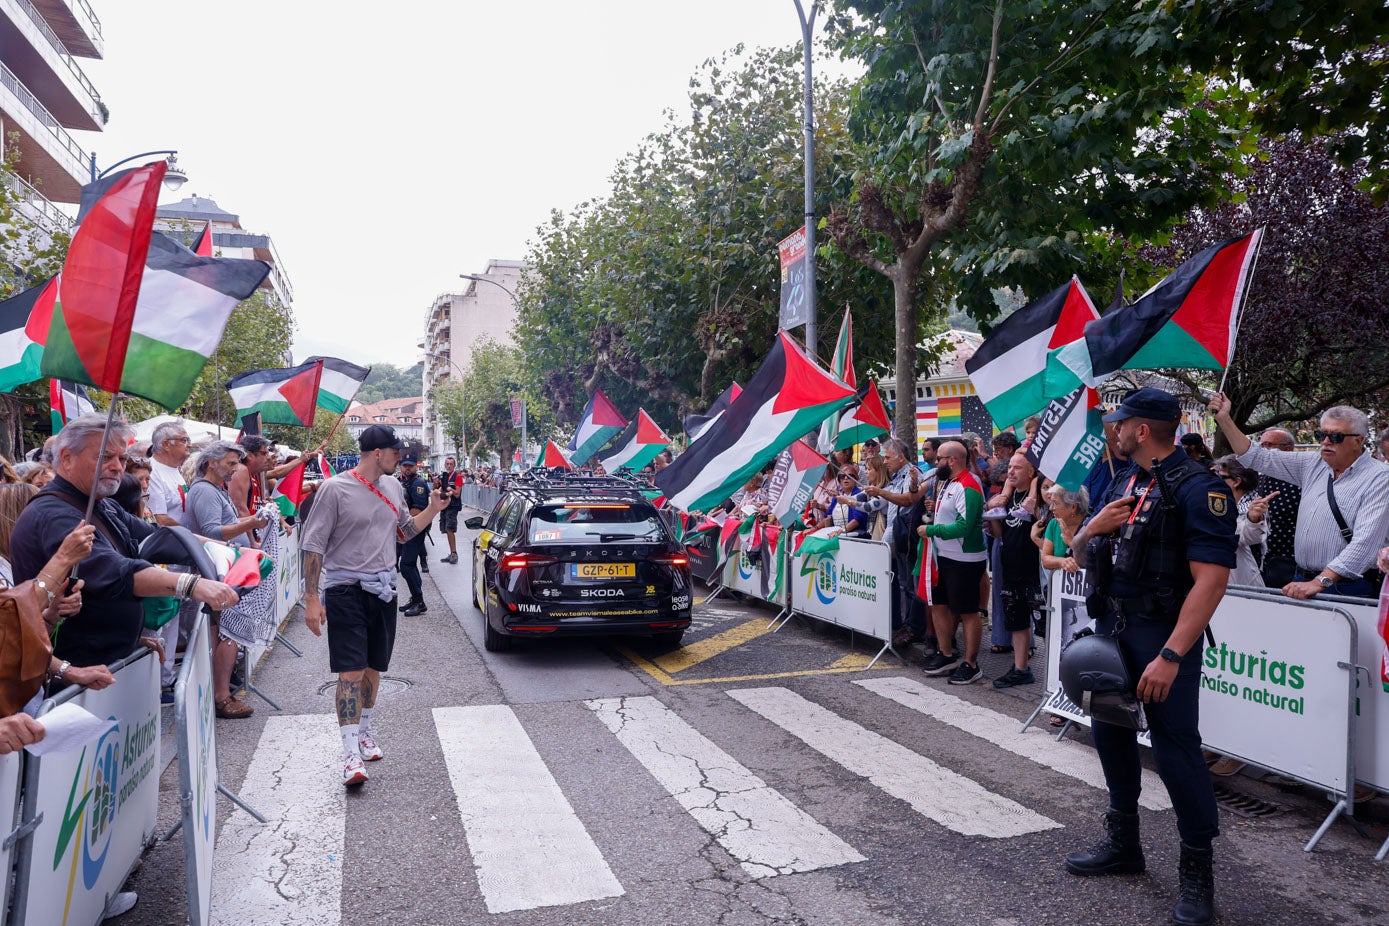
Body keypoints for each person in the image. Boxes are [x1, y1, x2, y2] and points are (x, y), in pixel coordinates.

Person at [1066, 387, 1235, 926]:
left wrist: (1171, 654)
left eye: (1120, 423)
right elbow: (1080, 554)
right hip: (1114, 629)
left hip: (1161, 636)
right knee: (1110, 732)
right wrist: (1092, 528)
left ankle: (1197, 875)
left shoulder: (1200, 488)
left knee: (1176, 749)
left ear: (1141, 430)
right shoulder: (1126, 480)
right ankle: (1124, 845)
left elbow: (1211, 582)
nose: (1113, 429)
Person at [9, 415, 240, 682]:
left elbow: (158, 537)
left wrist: (229, 551)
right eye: (105, 457)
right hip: (75, 674)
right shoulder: (54, 513)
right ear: (67, 458)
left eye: (121, 458)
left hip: (109, 664)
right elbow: (114, 571)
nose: (117, 467)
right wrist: (191, 585)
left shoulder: (103, 504)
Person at [300, 425, 448, 787]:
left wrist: (433, 508)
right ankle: (350, 753)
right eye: (396, 452)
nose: (401, 457)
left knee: (373, 667)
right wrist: (312, 598)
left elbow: (405, 531)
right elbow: (313, 545)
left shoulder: (393, 487)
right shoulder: (335, 489)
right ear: (377, 453)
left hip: (384, 589)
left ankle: (365, 732)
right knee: (350, 671)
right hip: (345, 590)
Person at [1210, 395, 1389, 599]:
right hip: (1303, 578)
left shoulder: (1380, 478)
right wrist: (1224, 419)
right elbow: (1257, 456)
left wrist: (1320, 582)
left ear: (1358, 440)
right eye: (1321, 435)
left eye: (1336, 437)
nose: (1326, 442)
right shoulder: (1313, 463)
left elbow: (1364, 544)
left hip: (1346, 586)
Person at [185, 441, 271, 719]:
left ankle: (221, 692)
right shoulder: (204, 491)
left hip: (223, 571)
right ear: (212, 462)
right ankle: (221, 696)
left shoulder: (213, 489)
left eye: (236, 463)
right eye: (231, 463)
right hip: (217, 573)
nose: (235, 469)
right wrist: (252, 523)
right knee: (226, 634)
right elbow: (211, 532)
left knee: (226, 633)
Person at [919, 440, 988, 683]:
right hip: (943, 556)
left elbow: (964, 526)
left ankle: (971, 663)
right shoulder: (949, 482)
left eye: (939, 459)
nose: (936, 462)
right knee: (938, 605)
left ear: (952, 460)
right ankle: (946, 653)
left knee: (968, 611)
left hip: (964, 560)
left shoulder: (968, 485)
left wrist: (932, 530)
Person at [862, 439, 927, 649]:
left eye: (888, 457)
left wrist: (880, 492)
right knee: (904, 583)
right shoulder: (897, 476)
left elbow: (908, 499)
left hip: (908, 536)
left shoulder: (913, 474)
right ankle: (908, 626)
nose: (885, 461)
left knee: (910, 584)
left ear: (900, 457)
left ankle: (915, 628)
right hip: (899, 534)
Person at [986, 452, 1043, 688]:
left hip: (1035, 571)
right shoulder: (1008, 496)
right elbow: (1000, 533)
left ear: (1031, 472)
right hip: (1010, 567)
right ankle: (1021, 669)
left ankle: (1058, 677)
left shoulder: (1039, 494)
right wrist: (993, 514)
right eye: (1010, 467)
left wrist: (1036, 510)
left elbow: (1050, 525)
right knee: (1017, 621)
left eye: (1017, 468)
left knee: (1046, 625)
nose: (1010, 471)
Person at [1213, 455, 1274, 587]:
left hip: (1241, 581)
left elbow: (1246, 536)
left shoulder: (1252, 506)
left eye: (1220, 477)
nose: (1214, 480)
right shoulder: (1223, 502)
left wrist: (1253, 519)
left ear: (1236, 481)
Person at [1253, 428, 1301, 589]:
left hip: (1289, 561)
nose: (1263, 449)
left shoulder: (1300, 479)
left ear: (1287, 449)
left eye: (1268, 445)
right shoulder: (1261, 477)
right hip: (1262, 559)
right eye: (1261, 445)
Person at [396, 452, 432, 616]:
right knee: (410, 565)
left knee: (406, 565)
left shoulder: (418, 483)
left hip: (414, 529)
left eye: (410, 465)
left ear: (416, 466)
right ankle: (416, 598)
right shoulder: (402, 481)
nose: (407, 468)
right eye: (405, 465)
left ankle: (419, 601)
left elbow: (417, 510)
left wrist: (402, 527)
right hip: (405, 530)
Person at [436, 455, 464, 564]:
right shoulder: (445, 476)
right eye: (447, 464)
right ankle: (451, 553)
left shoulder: (458, 476)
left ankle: (454, 553)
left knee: (450, 529)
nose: (449, 466)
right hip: (445, 505)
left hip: (453, 506)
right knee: (446, 529)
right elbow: (440, 489)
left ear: (454, 465)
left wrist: (450, 489)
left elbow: (457, 494)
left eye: (451, 464)